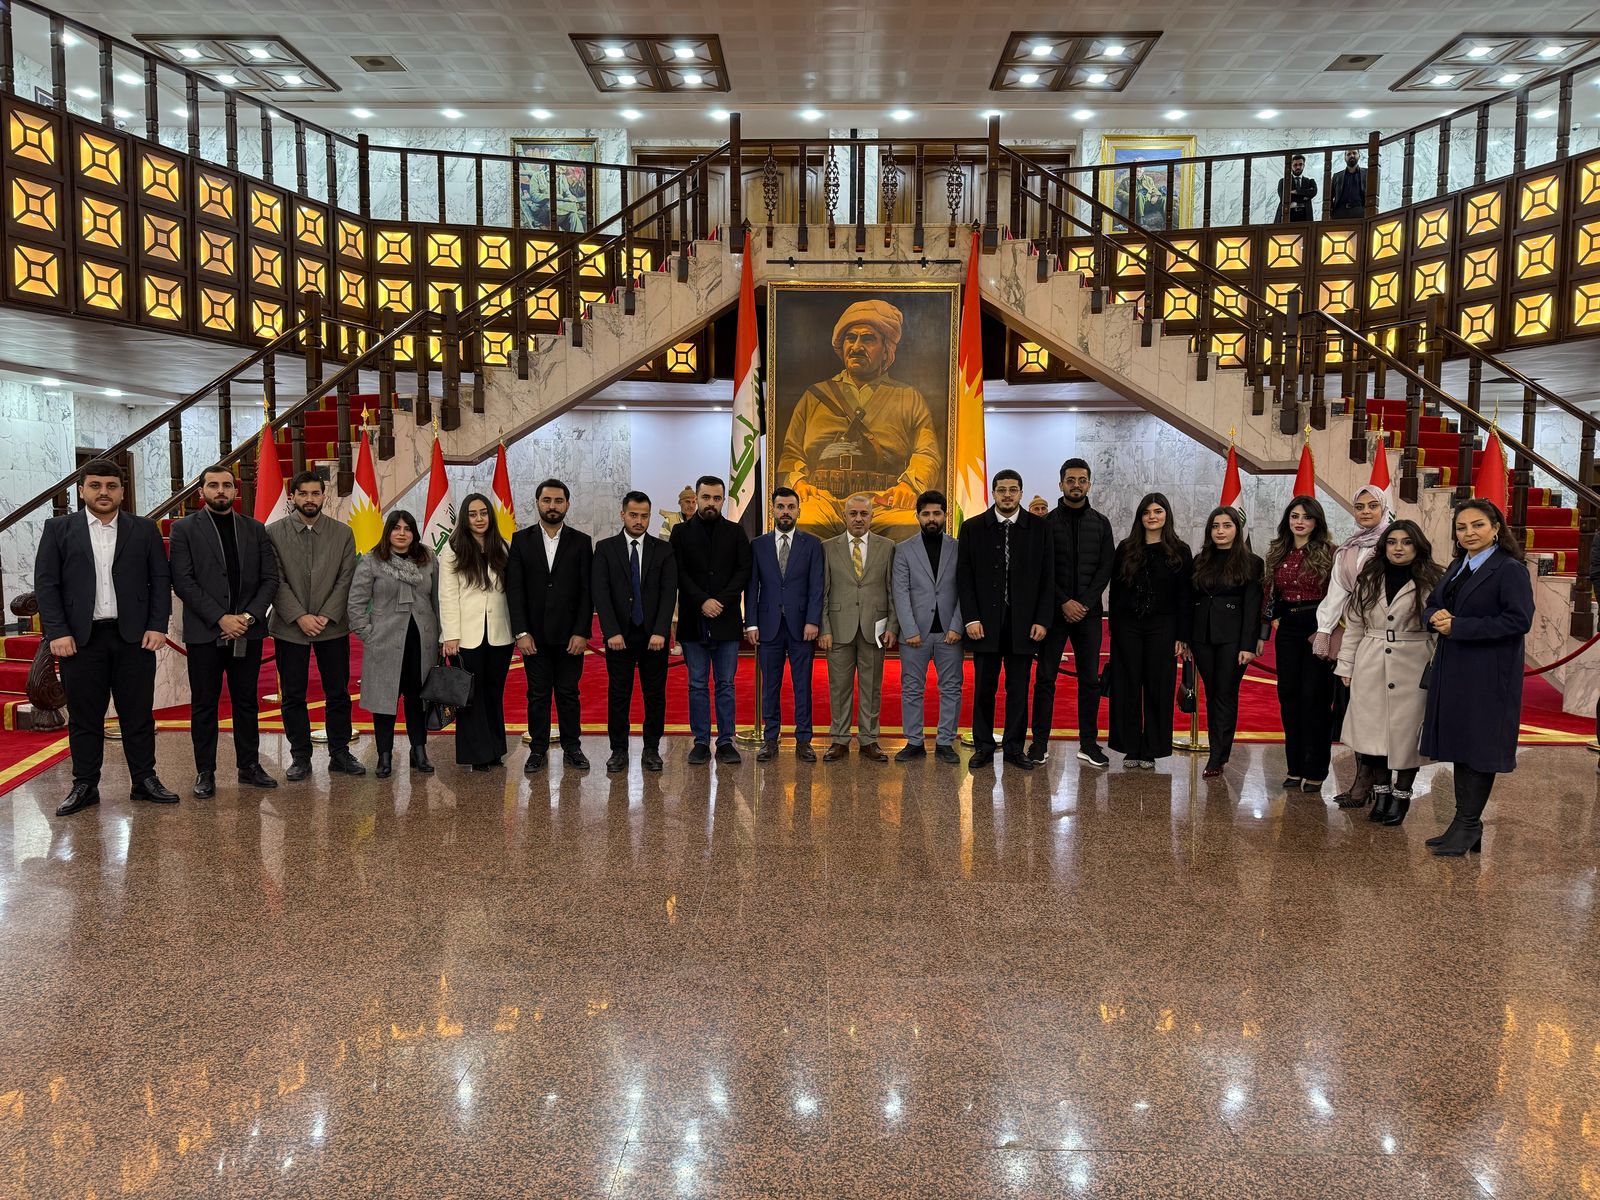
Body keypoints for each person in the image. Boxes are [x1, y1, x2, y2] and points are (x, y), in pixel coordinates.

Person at [33, 458, 176, 816]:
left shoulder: (143, 529)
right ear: (82, 490)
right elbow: (47, 585)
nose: (103, 492)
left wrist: (158, 625)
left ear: (122, 491)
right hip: (81, 641)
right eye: (95, 486)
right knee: (85, 715)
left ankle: (144, 780)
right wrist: (57, 632)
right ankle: (85, 784)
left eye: (111, 486)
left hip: (133, 638)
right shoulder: (58, 529)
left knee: (138, 714)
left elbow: (160, 580)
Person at [1419, 499, 1533, 856]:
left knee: (1480, 748)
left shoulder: (1509, 569)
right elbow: (1433, 603)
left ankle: (1468, 824)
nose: (1469, 533)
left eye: (1478, 525)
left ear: (1496, 527)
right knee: (1461, 745)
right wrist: (1434, 617)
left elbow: (1518, 621)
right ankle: (1463, 822)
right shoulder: (1458, 565)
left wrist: (1460, 626)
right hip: (1455, 669)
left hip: (1488, 674)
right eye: (1462, 527)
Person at [777, 299, 942, 541]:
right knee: (802, 524)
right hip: (824, 502)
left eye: (868, 339)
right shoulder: (814, 396)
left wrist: (909, 486)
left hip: (884, 503)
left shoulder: (908, 398)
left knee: (909, 526)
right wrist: (799, 481)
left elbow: (926, 453)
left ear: (886, 348)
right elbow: (792, 452)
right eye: (850, 338)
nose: (856, 346)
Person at [169, 464, 280, 798]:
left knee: (246, 702)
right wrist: (221, 618)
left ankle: (249, 766)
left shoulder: (255, 529)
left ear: (236, 491)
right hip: (205, 632)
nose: (220, 491)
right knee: (204, 704)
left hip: (248, 631)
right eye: (213, 485)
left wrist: (247, 617)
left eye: (227, 485)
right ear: (201, 491)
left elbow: (270, 579)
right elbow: (183, 581)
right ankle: (205, 771)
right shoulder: (184, 529)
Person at [1335, 520, 1443, 827]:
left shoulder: (1434, 579)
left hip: (1414, 660)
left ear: (1417, 546)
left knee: (1407, 735)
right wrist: (1347, 665)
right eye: (1392, 542)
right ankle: (1380, 794)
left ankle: (1401, 796)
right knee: (1374, 734)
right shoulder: (1369, 577)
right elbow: (1354, 625)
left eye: (1406, 542)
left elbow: (1439, 628)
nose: (1398, 548)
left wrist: (1437, 667)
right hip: (1371, 659)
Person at [267, 470, 363, 781]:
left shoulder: (342, 533)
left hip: (332, 626)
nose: (310, 499)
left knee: (337, 692)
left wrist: (325, 615)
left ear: (324, 496)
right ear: (292, 497)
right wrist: (299, 616)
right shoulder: (272, 533)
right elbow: (275, 580)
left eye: (315, 493)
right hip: (289, 627)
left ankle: (340, 753)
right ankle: (300, 757)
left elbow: (346, 578)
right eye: (303, 493)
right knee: (293, 695)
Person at [957, 469, 1054, 770]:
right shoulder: (973, 528)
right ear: (993, 493)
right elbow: (965, 577)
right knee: (985, 688)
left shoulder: (1039, 528)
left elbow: (1048, 578)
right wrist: (970, 618)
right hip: (984, 624)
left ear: (1021, 493)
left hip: (1023, 625)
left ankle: (1014, 747)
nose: (1007, 495)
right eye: (1001, 490)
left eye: (1013, 489)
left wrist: (1042, 619)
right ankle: (984, 745)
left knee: (1018, 688)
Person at [1314, 483, 1393, 807]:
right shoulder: (1348, 547)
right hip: (1354, 637)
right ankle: (1363, 780)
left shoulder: (1395, 542)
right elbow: (1337, 592)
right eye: (1359, 506)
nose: (1365, 512)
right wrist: (1324, 628)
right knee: (1356, 711)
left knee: (1383, 715)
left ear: (1383, 507)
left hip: (1385, 640)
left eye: (1372, 506)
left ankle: (1384, 784)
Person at [1033, 458, 1116, 768]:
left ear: (1089, 485)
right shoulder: (1045, 524)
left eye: (1082, 480)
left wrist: (1084, 603)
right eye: (1071, 480)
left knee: (1089, 681)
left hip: (1090, 615)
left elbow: (1105, 567)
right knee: (1045, 679)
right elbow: (1041, 571)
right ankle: (1039, 744)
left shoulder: (1101, 523)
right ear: (1061, 485)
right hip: (1053, 615)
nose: (1076, 485)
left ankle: (1088, 743)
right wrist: (1064, 602)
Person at [506, 478, 592, 773]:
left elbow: (586, 591)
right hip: (534, 637)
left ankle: (573, 747)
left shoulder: (581, 542)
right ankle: (538, 749)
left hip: (571, 638)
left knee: (569, 694)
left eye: (558, 501)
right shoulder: (521, 540)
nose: (552, 506)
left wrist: (582, 631)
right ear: (538, 503)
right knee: (538, 695)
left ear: (567, 504)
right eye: (547, 500)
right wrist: (521, 632)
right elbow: (514, 589)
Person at [349, 510, 438, 777]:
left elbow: (437, 601)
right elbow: (355, 604)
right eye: (396, 528)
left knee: (417, 699)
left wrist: (443, 636)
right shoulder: (373, 561)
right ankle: (384, 755)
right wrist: (369, 634)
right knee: (384, 701)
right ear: (387, 532)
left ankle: (419, 750)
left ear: (414, 533)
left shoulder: (428, 559)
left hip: (421, 642)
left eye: (407, 528)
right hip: (384, 643)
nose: (402, 533)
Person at [1107, 493, 1192, 768]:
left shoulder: (1180, 550)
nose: (1152, 516)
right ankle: (1130, 747)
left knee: (1158, 687)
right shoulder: (1126, 547)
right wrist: (1115, 629)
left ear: (1166, 514)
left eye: (1157, 511)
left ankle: (1152, 748)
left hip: (1164, 627)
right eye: (1146, 512)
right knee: (1127, 686)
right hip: (1128, 626)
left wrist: (1183, 634)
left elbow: (1185, 596)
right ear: (1140, 517)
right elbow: (1117, 592)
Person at [594, 491, 677, 773]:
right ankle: (618, 750)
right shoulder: (605, 548)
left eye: (644, 516)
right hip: (620, 639)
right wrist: (611, 632)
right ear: (623, 515)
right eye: (633, 515)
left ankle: (652, 748)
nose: (639, 521)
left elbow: (668, 594)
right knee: (619, 694)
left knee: (655, 695)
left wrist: (661, 631)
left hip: (654, 638)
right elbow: (601, 593)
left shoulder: (663, 549)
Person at [671, 475, 752, 765]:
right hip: (694, 621)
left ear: (722, 500)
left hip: (727, 621)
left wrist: (722, 601)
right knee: (696, 684)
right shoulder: (680, 533)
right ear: (697, 498)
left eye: (717, 499)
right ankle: (701, 741)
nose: (711, 504)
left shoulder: (735, 531)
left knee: (726, 684)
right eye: (706, 498)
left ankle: (727, 740)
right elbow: (678, 572)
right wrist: (702, 600)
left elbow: (743, 571)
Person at [1260, 495, 1336, 794]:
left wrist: (1329, 630)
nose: (1299, 522)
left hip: (1319, 627)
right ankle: (1295, 767)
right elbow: (1269, 596)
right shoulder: (1278, 551)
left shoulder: (1330, 552)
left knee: (1315, 699)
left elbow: (1337, 595)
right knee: (1289, 697)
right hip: (1288, 628)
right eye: (1294, 516)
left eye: (1306, 516)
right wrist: (1262, 632)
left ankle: (1316, 768)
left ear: (1316, 522)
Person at [744, 486, 824, 762]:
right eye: (781, 507)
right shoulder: (758, 545)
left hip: (802, 627)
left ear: (799, 510)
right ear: (773, 510)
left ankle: (804, 740)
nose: (786, 512)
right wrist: (750, 623)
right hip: (768, 626)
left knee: (802, 685)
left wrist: (814, 620)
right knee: (771, 686)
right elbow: (752, 585)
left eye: (791, 507)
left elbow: (817, 587)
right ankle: (771, 739)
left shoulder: (812, 544)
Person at [820, 492, 899, 762]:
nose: (858, 518)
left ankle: (869, 740)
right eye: (853, 513)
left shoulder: (887, 547)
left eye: (863, 514)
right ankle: (839, 739)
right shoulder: (828, 547)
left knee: (872, 687)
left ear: (872, 516)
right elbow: (823, 592)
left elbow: (892, 591)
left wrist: (892, 625)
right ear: (844, 516)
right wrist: (824, 628)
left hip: (874, 629)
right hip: (839, 628)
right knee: (839, 687)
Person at [439, 493, 514, 771]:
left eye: (483, 513)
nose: (479, 519)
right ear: (464, 517)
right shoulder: (454, 548)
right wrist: (450, 635)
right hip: (466, 636)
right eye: (473, 514)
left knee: (494, 692)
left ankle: (495, 749)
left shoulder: (501, 547)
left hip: (500, 635)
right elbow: (447, 595)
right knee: (472, 696)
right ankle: (478, 754)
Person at [1189, 506, 1265, 779]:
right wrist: (1186, 637)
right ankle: (1217, 750)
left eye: (1226, 525)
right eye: (1215, 526)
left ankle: (1218, 756)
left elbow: (1253, 605)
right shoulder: (1200, 560)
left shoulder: (1252, 562)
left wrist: (1248, 644)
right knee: (1212, 694)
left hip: (1233, 639)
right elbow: (1191, 600)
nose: (1220, 531)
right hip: (1202, 637)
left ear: (1237, 529)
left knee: (1225, 693)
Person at [891, 490, 963, 764]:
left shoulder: (958, 547)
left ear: (944, 515)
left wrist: (957, 625)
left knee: (951, 688)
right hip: (915, 635)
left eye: (937, 513)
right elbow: (900, 591)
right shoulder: (903, 549)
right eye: (926, 514)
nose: (931, 519)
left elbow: (964, 590)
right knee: (911, 688)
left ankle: (945, 741)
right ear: (918, 516)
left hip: (950, 633)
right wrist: (909, 630)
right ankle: (914, 741)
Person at [1278, 153, 1317, 222]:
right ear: (1291, 166)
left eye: (1300, 164)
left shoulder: (1310, 182)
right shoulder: (1283, 182)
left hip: (1305, 216)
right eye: (1295, 165)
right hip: (1288, 216)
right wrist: (1305, 195)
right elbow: (1284, 197)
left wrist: (1296, 192)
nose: (1298, 167)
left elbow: (1313, 192)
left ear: (1304, 165)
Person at [1330, 149, 1366, 219]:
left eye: (1354, 153)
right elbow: (1330, 196)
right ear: (1345, 158)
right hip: (1339, 214)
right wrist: (1331, 212)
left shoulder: (1367, 173)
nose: (1352, 155)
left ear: (1359, 156)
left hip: (1360, 213)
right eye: (1348, 154)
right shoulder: (1337, 176)